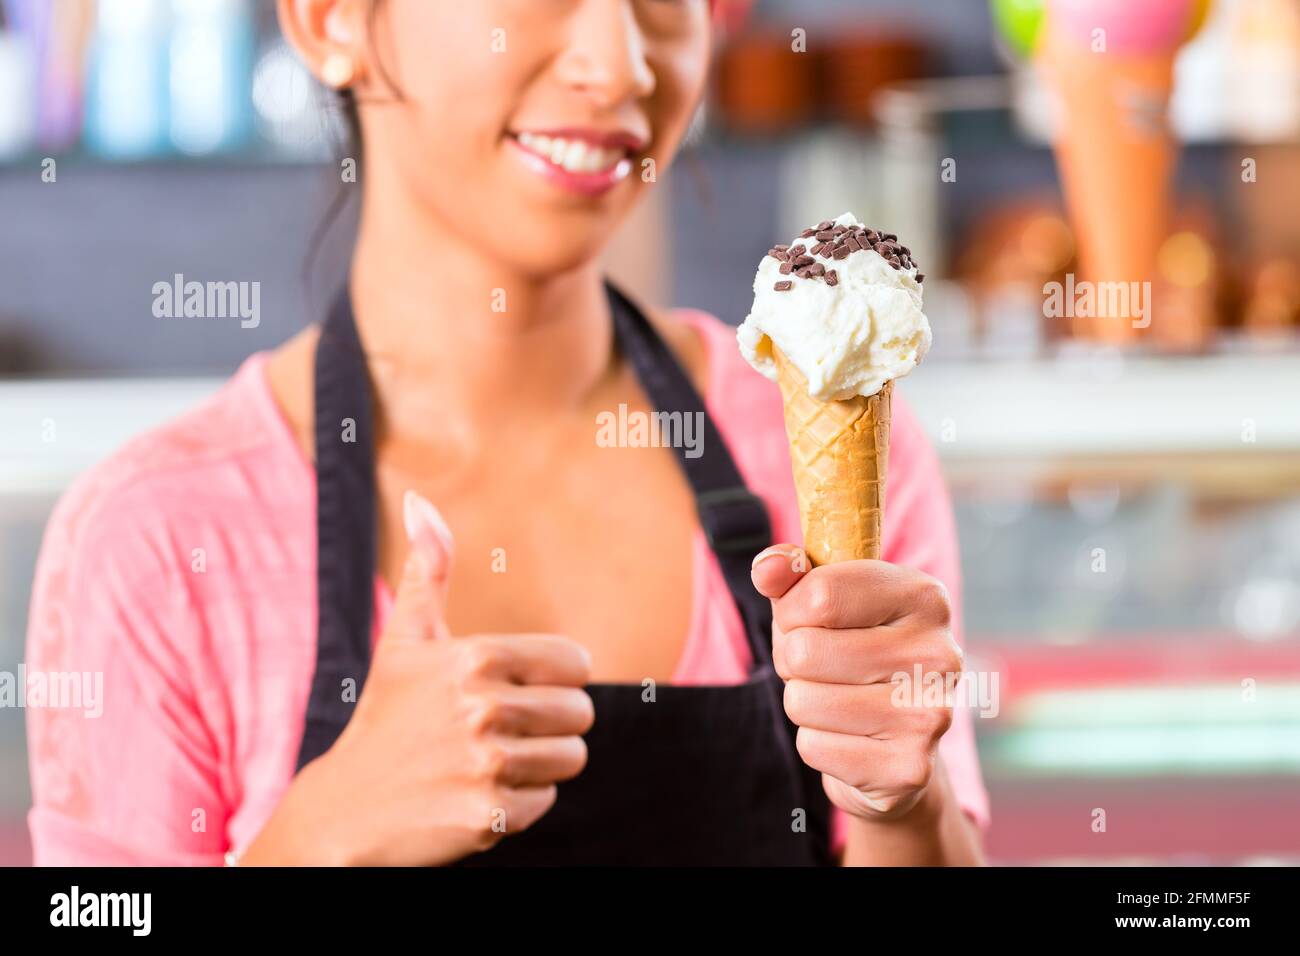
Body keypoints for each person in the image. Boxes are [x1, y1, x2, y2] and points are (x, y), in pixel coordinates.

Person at [26, 0, 987, 866]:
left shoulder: (814, 425)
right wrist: (316, 844)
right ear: (330, 22)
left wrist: (898, 803)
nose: (621, 66)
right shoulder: (153, 538)